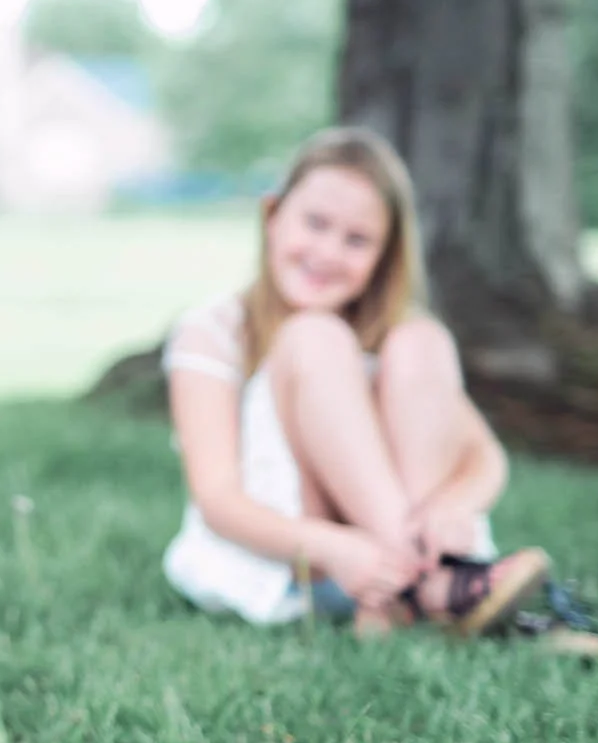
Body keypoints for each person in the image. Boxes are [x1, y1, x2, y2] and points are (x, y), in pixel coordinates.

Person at [161, 126, 550, 638]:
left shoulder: (392, 335)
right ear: (272, 216)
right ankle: (430, 586)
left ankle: (396, 593)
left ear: (384, 256)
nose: (327, 252)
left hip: (381, 550)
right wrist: (334, 547)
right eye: (315, 223)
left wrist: (451, 507)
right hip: (298, 559)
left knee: (422, 338)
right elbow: (217, 499)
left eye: (357, 239)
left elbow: (485, 457)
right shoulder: (213, 330)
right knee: (314, 338)